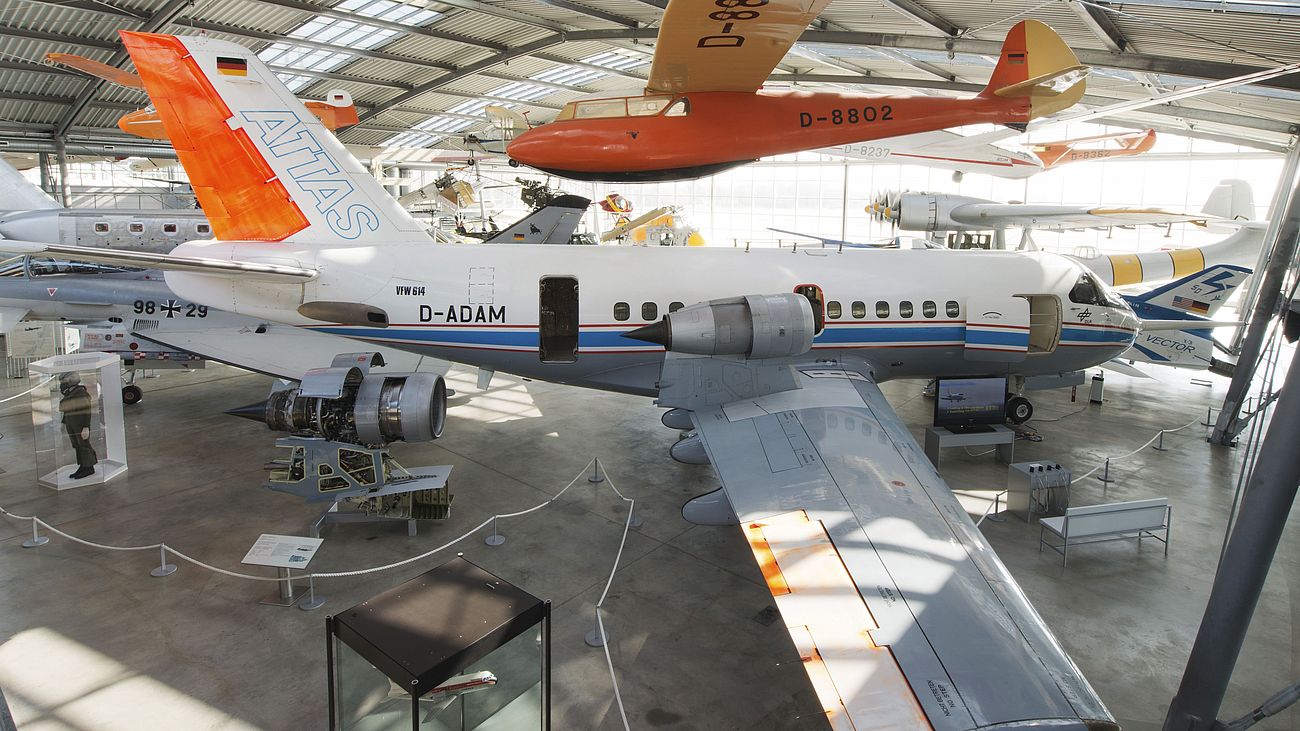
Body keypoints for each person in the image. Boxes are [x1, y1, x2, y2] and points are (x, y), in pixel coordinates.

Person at [58, 372, 97, 479]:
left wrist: (86, 427)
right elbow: (67, 411)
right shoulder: (70, 393)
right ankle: (83, 466)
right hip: (71, 423)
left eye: (64, 382)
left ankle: (89, 467)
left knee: (84, 445)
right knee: (77, 445)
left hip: (80, 424)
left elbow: (86, 411)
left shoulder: (81, 393)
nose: (62, 385)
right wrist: (63, 422)